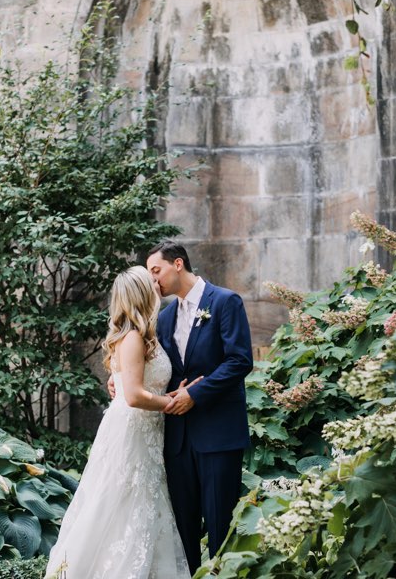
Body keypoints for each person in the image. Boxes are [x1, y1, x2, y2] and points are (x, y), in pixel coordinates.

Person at [44, 266, 191, 579]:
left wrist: (169, 391)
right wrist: (173, 402)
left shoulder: (142, 335)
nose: (157, 284)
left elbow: (131, 383)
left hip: (146, 431)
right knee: (123, 504)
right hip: (133, 431)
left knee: (142, 505)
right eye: (151, 282)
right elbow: (136, 396)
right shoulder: (134, 338)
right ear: (142, 293)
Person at [146, 240, 254, 573]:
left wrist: (197, 394)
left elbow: (240, 360)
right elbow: (158, 366)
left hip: (218, 434)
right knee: (184, 534)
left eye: (156, 271)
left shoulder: (224, 302)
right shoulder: (164, 317)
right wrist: (120, 382)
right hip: (177, 441)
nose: (153, 281)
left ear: (178, 264)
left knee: (221, 530)